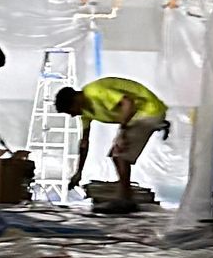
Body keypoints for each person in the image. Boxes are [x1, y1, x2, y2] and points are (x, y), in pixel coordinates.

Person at [57, 74, 169, 213]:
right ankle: (125, 196)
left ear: (75, 100)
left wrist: (121, 133)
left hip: (148, 111)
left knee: (119, 154)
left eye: (70, 111)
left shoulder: (96, 92)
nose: (73, 115)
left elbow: (128, 103)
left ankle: (126, 200)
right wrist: (78, 172)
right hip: (136, 116)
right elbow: (85, 143)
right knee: (117, 154)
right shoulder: (85, 111)